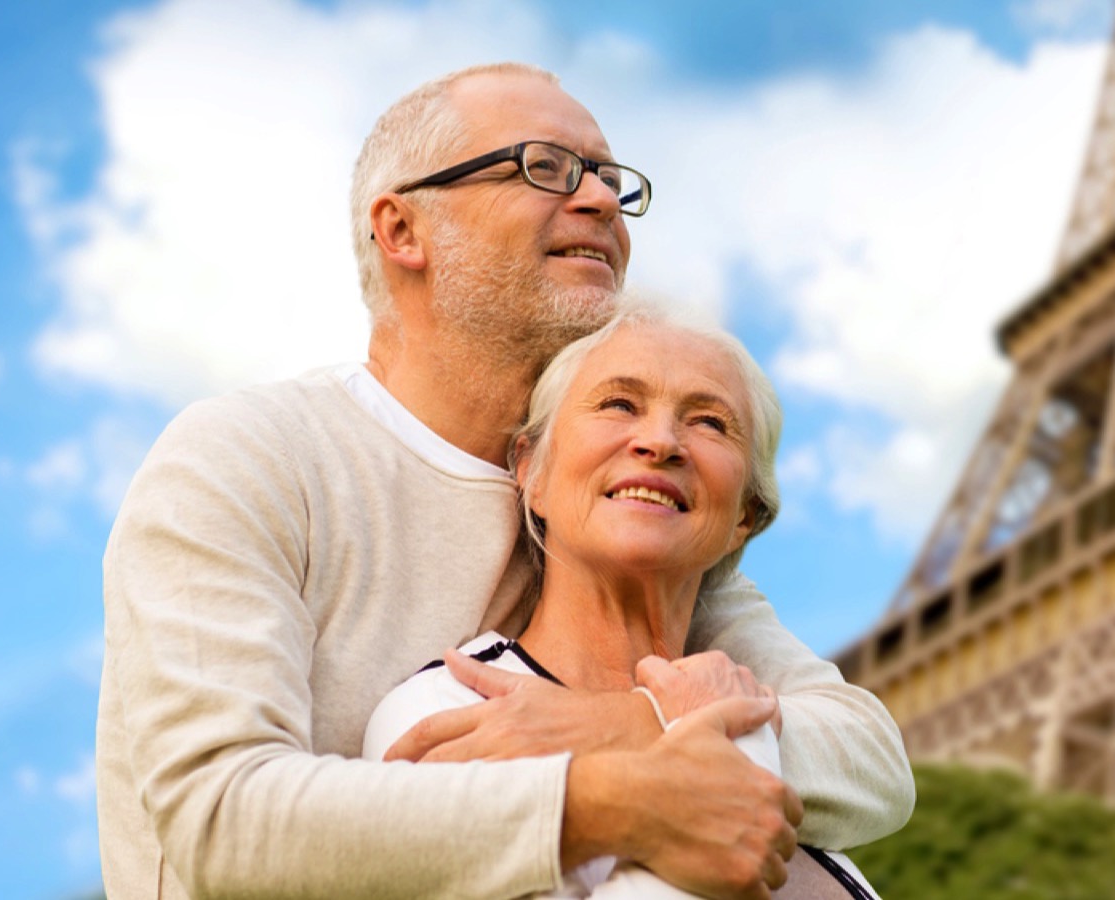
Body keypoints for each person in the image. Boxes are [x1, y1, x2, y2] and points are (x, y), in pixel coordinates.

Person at [97, 62, 911, 900]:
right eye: (545, 167)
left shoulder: (614, 514)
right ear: (402, 229)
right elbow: (222, 816)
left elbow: (867, 753)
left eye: (608, 178)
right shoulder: (248, 457)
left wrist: (625, 723)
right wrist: (613, 797)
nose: (598, 200)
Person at [363, 303, 880, 898]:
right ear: (533, 472)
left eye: (710, 422)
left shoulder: (751, 705)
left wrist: (675, 721)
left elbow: (884, 774)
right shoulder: (446, 707)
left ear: (746, 516)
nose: (660, 442)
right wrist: (728, 743)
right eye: (618, 404)